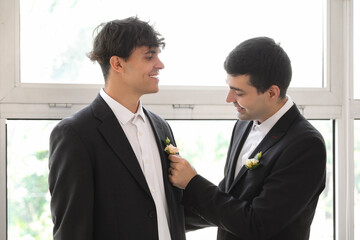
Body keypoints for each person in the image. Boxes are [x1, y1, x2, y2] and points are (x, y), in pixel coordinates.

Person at [168, 37, 326, 240]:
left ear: (272, 92)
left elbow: (257, 224)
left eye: (239, 92)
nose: (229, 99)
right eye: (230, 88)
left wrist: (192, 183)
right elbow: (230, 200)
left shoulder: (306, 145)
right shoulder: (243, 123)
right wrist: (167, 219)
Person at [48, 17, 186, 240]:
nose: (160, 65)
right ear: (118, 64)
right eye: (149, 56)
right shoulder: (75, 134)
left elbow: (167, 210)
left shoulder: (162, 127)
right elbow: (71, 229)